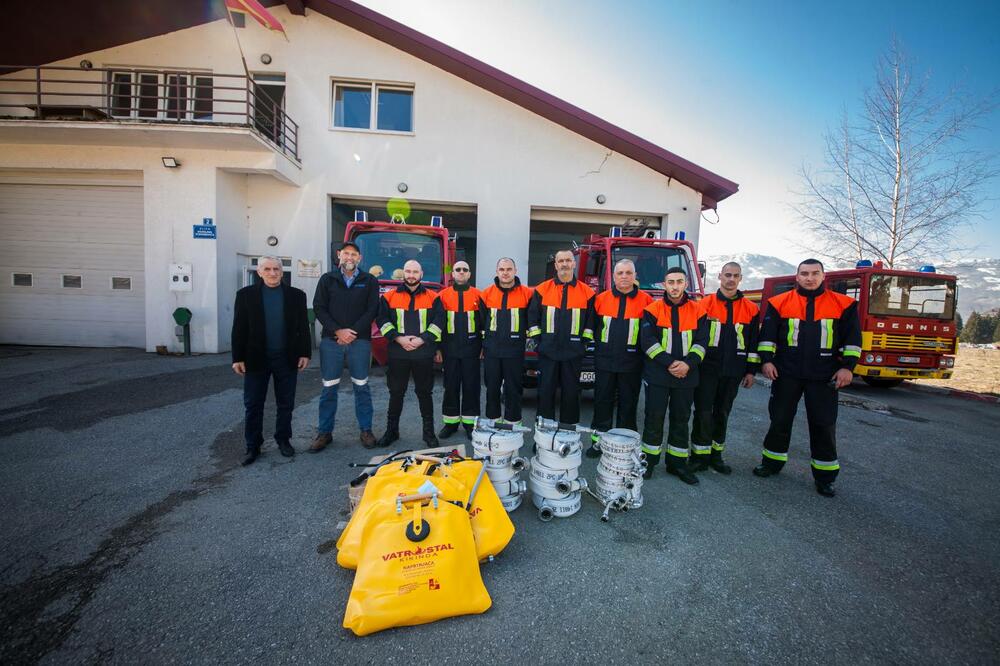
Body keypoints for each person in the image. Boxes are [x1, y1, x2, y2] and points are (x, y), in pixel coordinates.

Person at [753, 259, 861, 497]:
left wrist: (848, 367)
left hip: (825, 375)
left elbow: (852, 340)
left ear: (823, 276)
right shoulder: (779, 303)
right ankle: (771, 463)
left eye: (814, 273)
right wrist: (767, 361)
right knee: (779, 419)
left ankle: (825, 477)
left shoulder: (843, 304)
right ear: (797, 277)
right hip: (786, 373)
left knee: (823, 424)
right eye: (804, 274)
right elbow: (768, 336)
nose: (809, 278)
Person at [231, 256, 312, 466]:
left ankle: (283, 440)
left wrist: (305, 353)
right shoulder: (245, 295)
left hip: (286, 357)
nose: (273, 273)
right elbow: (239, 328)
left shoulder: (296, 296)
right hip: (256, 358)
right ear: (259, 272)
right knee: (253, 404)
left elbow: (303, 327)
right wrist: (237, 357)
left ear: (282, 272)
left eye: (276, 269)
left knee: (285, 403)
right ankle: (253, 445)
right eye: (267, 269)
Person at [689, 261, 760, 474]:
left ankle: (716, 456)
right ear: (720, 276)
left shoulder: (751, 309)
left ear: (740, 278)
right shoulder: (704, 304)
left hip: (733, 370)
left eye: (735, 276)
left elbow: (753, 343)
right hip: (707, 369)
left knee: (722, 413)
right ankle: (699, 457)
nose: (731, 279)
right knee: (703, 412)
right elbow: (695, 337)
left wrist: (751, 371)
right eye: (727, 275)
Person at [310, 241, 380, 452]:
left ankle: (366, 430)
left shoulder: (369, 280)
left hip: (360, 341)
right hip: (332, 342)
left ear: (359, 258)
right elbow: (319, 308)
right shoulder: (327, 279)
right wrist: (338, 331)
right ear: (339, 255)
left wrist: (352, 333)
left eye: (354, 254)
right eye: (346, 253)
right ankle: (324, 432)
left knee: (362, 387)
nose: (350, 257)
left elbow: (372, 310)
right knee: (329, 388)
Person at [639, 267, 708, 485]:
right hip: (658, 375)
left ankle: (677, 464)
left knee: (681, 419)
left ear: (686, 284)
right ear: (664, 285)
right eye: (671, 282)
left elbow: (702, 342)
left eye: (679, 282)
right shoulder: (652, 309)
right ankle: (648, 462)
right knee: (654, 418)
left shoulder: (699, 311)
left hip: (686, 375)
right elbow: (647, 342)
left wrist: (688, 364)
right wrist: (670, 363)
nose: (675, 286)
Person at [585, 259, 653, 457]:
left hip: (632, 364)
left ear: (635, 276)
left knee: (628, 405)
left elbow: (650, 335)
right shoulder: (600, 299)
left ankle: (624, 446)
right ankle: (598, 443)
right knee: (602, 403)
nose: (624, 276)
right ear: (613, 276)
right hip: (604, 362)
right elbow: (591, 329)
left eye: (628, 273)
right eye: (620, 273)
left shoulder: (647, 301)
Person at [375, 259, 444, 447]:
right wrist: (399, 339)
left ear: (421, 274)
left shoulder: (433, 297)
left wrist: (422, 340)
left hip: (423, 353)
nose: (411, 275)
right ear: (403, 273)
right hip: (398, 353)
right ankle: (392, 432)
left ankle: (428, 433)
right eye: (408, 271)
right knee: (396, 393)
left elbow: (439, 322)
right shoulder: (389, 297)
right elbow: (382, 320)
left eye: (415, 272)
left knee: (425, 393)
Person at [526, 249, 595, 425]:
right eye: (561, 261)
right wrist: (539, 343)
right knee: (545, 392)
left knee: (571, 393)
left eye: (568, 260)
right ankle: (544, 431)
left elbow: (590, 323)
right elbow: (532, 319)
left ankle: (568, 431)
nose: (565, 264)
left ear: (574, 263)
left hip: (573, 353)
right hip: (547, 352)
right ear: (555, 265)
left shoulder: (587, 292)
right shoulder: (542, 289)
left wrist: (582, 345)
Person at [480, 257, 534, 425]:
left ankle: (513, 423)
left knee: (514, 388)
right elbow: (481, 323)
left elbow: (532, 320)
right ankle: (493, 422)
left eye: (509, 269)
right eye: (502, 269)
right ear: (497, 272)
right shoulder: (486, 294)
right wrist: (483, 346)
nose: (505, 273)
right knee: (492, 388)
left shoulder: (527, 294)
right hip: (492, 350)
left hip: (514, 351)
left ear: (515, 271)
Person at [435, 260, 483, 440]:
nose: (461, 272)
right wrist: (437, 349)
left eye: (465, 269)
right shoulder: (442, 296)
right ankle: (451, 423)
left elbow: (484, 324)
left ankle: (470, 424)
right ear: (452, 274)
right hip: (450, 349)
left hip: (472, 349)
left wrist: (483, 347)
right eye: (458, 269)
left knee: (472, 386)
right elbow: (437, 324)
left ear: (469, 274)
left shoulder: (479, 295)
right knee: (450, 386)